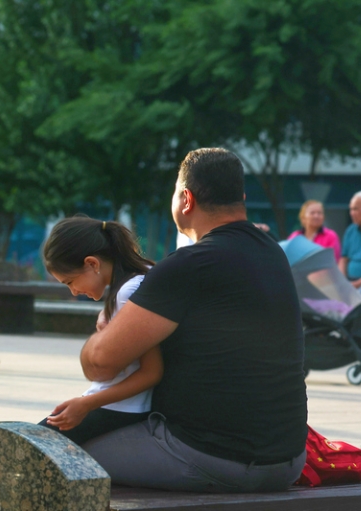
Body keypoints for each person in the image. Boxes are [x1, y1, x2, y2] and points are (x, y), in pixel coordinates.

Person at [78, 148, 307, 492]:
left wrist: (106, 325)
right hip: (288, 458)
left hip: (209, 455)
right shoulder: (271, 252)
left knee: (57, 460)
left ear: (186, 199)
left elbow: (100, 363)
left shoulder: (189, 264)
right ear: (240, 198)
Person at [38, 217, 162, 445]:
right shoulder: (145, 274)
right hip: (119, 403)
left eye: (70, 282)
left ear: (92, 264)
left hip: (122, 407)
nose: (74, 292)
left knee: (31, 446)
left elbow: (151, 373)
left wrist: (86, 405)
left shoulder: (129, 292)